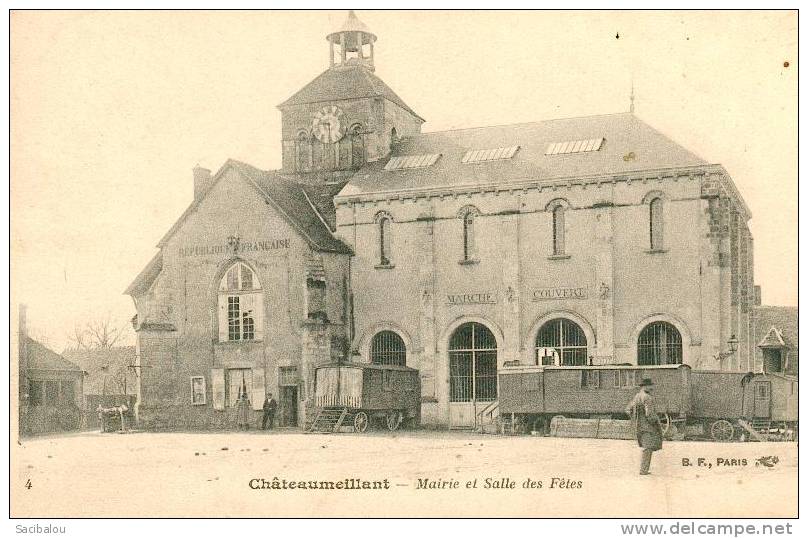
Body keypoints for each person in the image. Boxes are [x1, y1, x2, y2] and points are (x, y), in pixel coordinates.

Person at [625, 377, 664, 475]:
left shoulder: (637, 396)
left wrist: (636, 418)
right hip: (648, 427)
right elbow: (649, 414)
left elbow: (628, 409)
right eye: (650, 386)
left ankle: (644, 469)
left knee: (647, 447)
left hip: (639, 426)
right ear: (646, 386)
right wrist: (656, 422)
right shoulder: (647, 397)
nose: (652, 387)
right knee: (648, 448)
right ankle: (643, 470)